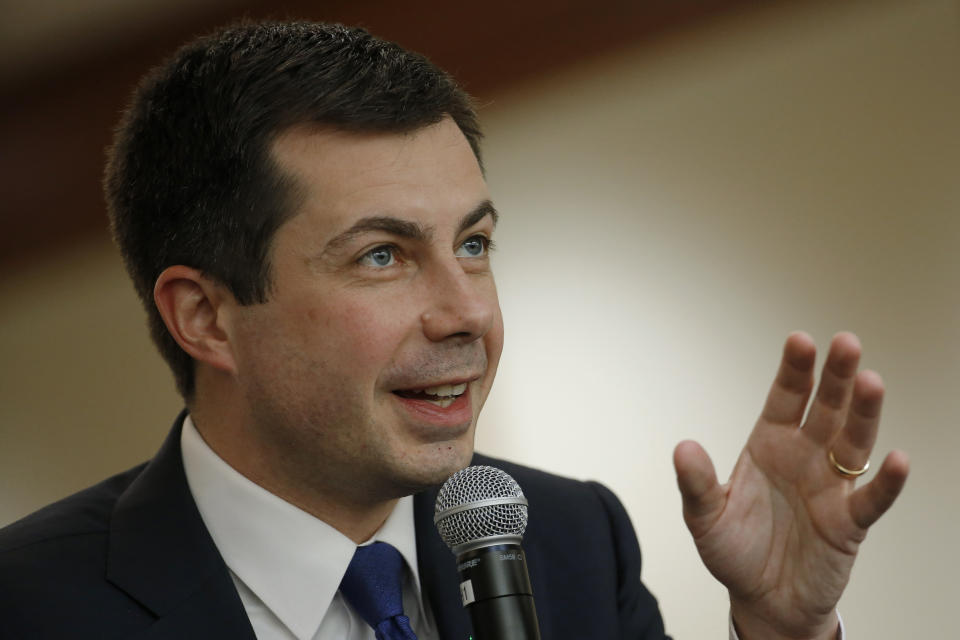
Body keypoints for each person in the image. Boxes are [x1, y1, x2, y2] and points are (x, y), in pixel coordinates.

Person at [0, 21, 908, 640]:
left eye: (473, 244)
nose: (468, 311)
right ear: (206, 318)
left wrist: (784, 632)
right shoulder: (32, 604)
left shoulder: (572, 541)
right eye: (383, 257)